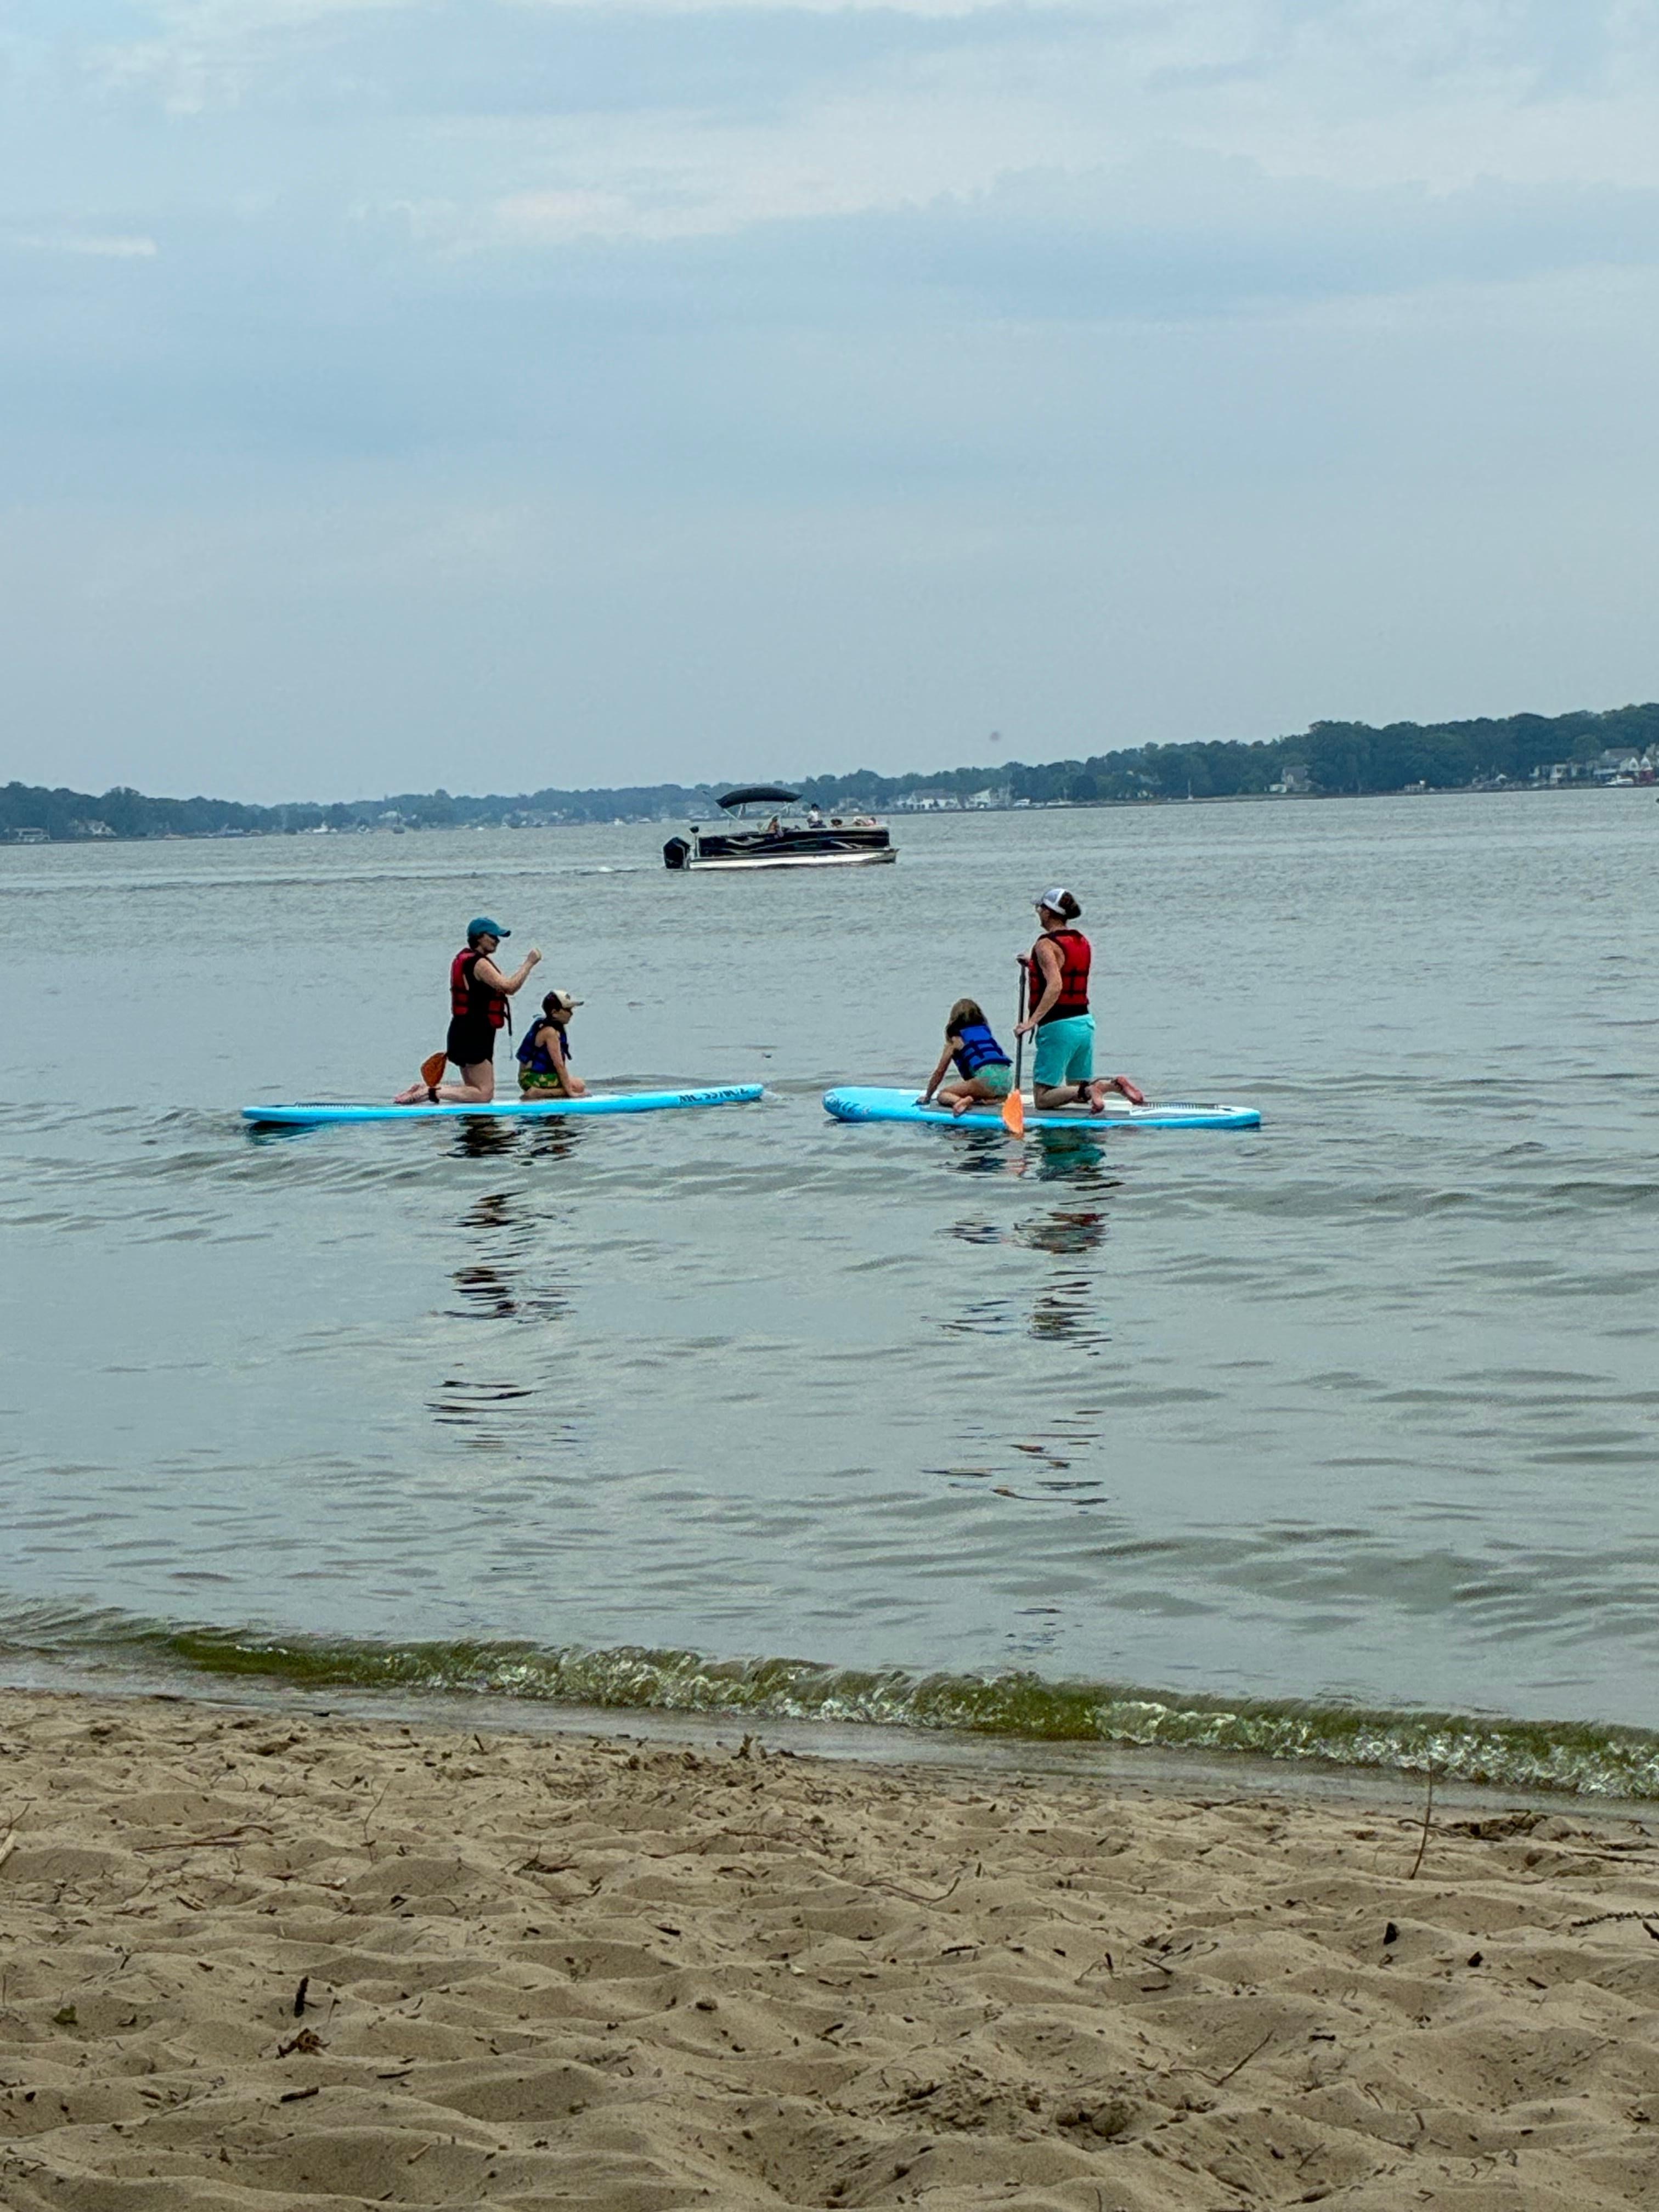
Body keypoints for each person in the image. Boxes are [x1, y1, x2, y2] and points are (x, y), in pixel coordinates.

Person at [1013, 888, 1143, 1114]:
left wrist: (1031, 1022)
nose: (1038, 913)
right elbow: (1065, 967)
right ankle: (1109, 1086)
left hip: (1058, 1027)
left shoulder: (1045, 944)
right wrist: (1034, 964)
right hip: (1084, 1023)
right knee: (1076, 1091)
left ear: (1049, 912)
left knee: (1043, 1098)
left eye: (1040, 908)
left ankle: (1097, 1088)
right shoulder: (1081, 940)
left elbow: (1056, 986)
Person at [394, 917, 541, 1105]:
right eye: (493, 936)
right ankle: (429, 1091)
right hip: (473, 1033)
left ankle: (434, 1096)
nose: (497, 941)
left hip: (466, 1031)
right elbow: (509, 987)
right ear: (479, 937)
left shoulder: (467, 959)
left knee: (475, 1096)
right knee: (484, 1094)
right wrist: (530, 963)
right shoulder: (478, 963)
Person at [918, 998, 1014, 1116]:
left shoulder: (955, 1040)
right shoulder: (984, 1032)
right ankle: (994, 1099)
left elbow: (940, 1072)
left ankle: (961, 1102)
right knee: (980, 1087)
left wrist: (927, 1097)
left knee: (943, 1095)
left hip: (986, 1080)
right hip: (1007, 1080)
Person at [516, 989, 587, 1097]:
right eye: (568, 1010)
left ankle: (543, 1091)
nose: (571, 1014)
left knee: (577, 1083)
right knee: (579, 1086)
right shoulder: (550, 1033)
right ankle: (537, 1093)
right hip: (531, 1078)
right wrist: (570, 1092)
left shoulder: (554, 1028)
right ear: (555, 1013)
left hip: (533, 1076)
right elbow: (559, 1065)